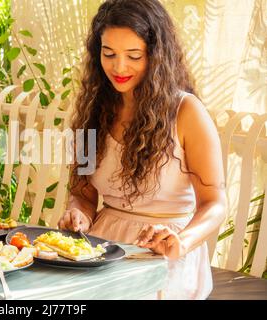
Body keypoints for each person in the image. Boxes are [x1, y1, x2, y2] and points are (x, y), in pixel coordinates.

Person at [57, 0, 227, 300]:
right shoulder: (93, 110)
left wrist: (182, 241)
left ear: (157, 56)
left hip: (164, 253)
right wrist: (78, 213)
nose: (119, 67)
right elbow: (83, 192)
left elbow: (215, 203)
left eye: (133, 55)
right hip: (102, 247)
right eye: (109, 54)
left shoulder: (186, 112)